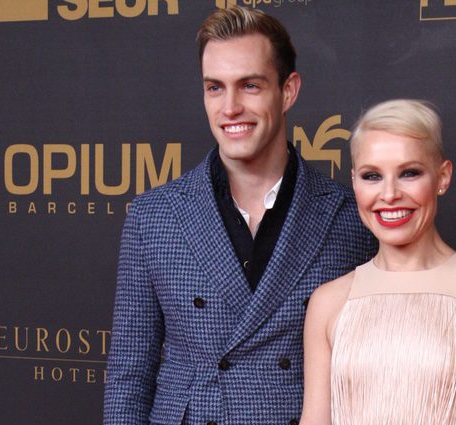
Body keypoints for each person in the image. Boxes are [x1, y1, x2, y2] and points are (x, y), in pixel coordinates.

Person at [103, 7, 375, 425]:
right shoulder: (152, 217)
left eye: (249, 85)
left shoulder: (350, 217)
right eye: (215, 88)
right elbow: (129, 376)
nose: (230, 107)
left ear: (288, 91)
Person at [300, 99, 456, 425]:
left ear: (442, 177)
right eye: (372, 176)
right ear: (354, 182)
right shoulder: (328, 302)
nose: (390, 193)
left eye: (409, 173)